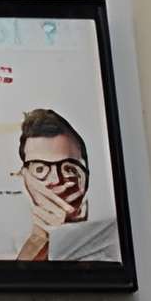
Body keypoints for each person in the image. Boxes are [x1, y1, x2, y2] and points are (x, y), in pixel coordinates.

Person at [13, 108, 120, 263]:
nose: (56, 179)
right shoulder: (11, 243)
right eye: (40, 169)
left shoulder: (115, 235)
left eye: (68, 168)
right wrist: (40, 237)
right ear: (24, 177)